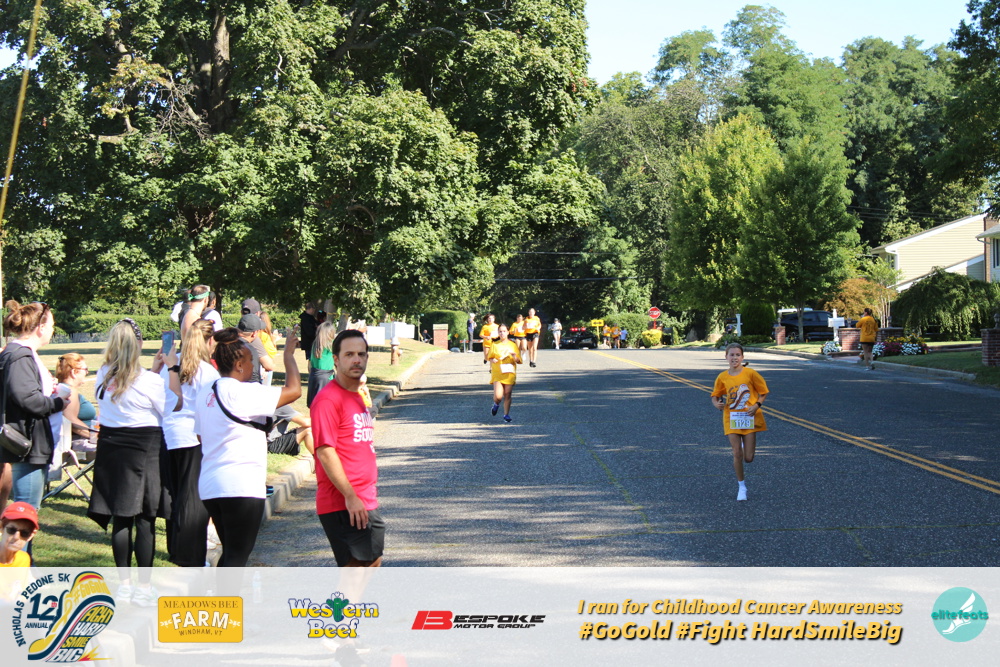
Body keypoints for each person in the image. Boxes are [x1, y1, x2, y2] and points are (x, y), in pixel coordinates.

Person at [88, 319, 178, 605]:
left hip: (112, 450)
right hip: (145, 451)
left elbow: (127, 388)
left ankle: (125, 585)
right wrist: (171, 370)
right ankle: (143, 587)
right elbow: (173, 405)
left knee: (121, 519)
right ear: (138, 345)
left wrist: (154, 371)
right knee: (145, 520)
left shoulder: (103, 374)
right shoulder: (149, 382)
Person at [194, 327, 301, 568]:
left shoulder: (206, 392)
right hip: (241, 485)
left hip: (211, 486)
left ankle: (222, 594)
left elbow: (201, 437)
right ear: (239, 365)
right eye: (251, 360)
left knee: (231, 553)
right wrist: (288, 356)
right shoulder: (244, 392)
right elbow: (294, 391)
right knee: (237, 556)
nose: (254, 365)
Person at [310, 330, 384, 567]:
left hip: (365, 498)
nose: (356, 360)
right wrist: (350, 497)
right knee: (356, 570)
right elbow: (325, 451)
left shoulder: (355, 396)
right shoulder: (328, 399)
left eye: (361, 354)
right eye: (349, 354)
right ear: (336, 359)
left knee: (371, 562)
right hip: (342, 501)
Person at [0, 301, 68, 535]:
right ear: (40, 327)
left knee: (25, 517)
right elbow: (28, 399)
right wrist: (58, 403)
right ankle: (18, 559)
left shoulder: (19, 353)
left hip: (28, 441)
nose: (52, 330)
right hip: (27, 445)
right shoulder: (20, 355)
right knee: (24, 519)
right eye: (51, 325)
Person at [160, 319, 220, 567]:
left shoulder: (170, 366)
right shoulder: (207, 371)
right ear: (209, 341)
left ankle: (175, 548)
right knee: (193, 499)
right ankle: (190, 555)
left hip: (169, 434)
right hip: (193, 436)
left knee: (174, 494)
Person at [711, 343, 768, 502]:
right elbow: (715, 394)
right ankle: (741, 486)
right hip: (731, 417)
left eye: (737, 355)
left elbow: (763, 392)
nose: (734, 358)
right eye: (731, 355)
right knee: (736, 453)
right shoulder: (722, 376)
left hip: (748, 417)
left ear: (742, 357)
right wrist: (716, 403)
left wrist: (756, 405)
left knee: (748, 458)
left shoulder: (751, 374)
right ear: (726, 357)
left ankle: (744, 446)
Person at [486, 323, 522, 423]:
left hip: (509, 372)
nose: (502, 333)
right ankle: (496, 404)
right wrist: (492, 360)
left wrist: (514, 356)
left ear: (508, 332)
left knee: (507, 394)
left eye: (504, 331)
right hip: (498, 372)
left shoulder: (513, 345)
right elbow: (490, 357)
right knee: (498, 396)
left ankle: (506, 415)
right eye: (500, 331)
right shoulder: (495, 344)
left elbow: (519, 361)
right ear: (498, 333)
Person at [308, 321, 338, 407]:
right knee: (326, 404)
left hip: (314, 376)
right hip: (326, 377)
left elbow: (310, 364)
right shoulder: (332, 345)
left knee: (315, 404)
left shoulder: (315, 345)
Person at [1, 502, 38, 567]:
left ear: (31, 536)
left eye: (24, 533)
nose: (16, 537)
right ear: (1, 528)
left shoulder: (23, 560)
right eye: (11, 530)